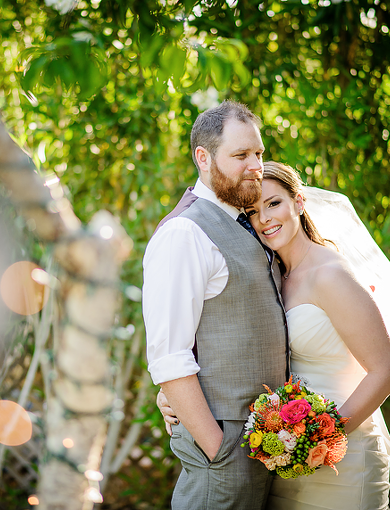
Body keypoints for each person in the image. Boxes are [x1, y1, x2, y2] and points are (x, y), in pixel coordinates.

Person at [159, 161, 390, 509]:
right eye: (253, 211)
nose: (264, 219)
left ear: (299, 203)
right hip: (286, 452)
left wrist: (323, 436)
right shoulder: (273, 275)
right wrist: (175, 393)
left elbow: (387, 369)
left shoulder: (330, 275)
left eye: (274, 203)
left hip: (341, 453)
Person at [143, 101, 288, 510]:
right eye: (240, 156)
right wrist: (218, 449)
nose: (255, 166)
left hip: (268, 446)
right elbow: (170, 358)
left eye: (258, 153)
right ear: (203, 158)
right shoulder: (184, 234)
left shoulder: (255, 220)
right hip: (224, 458)